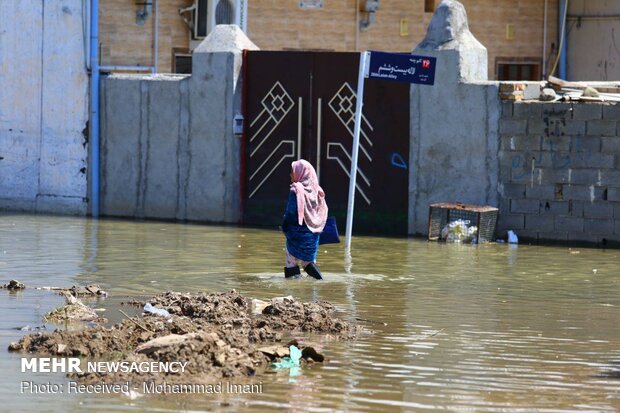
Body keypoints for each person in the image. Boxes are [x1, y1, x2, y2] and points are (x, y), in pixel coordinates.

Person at [281, 159, 327, 280]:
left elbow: (290, 213)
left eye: (292, 171)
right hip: (313, 236)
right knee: (308, 263)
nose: (290, 174)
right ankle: (319, 284)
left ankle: (292, 291)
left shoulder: (296, 190)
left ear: (300, 173)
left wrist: (284, 227)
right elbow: (322, 211)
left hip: (297, 235)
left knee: (291, 262)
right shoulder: (317, 191)